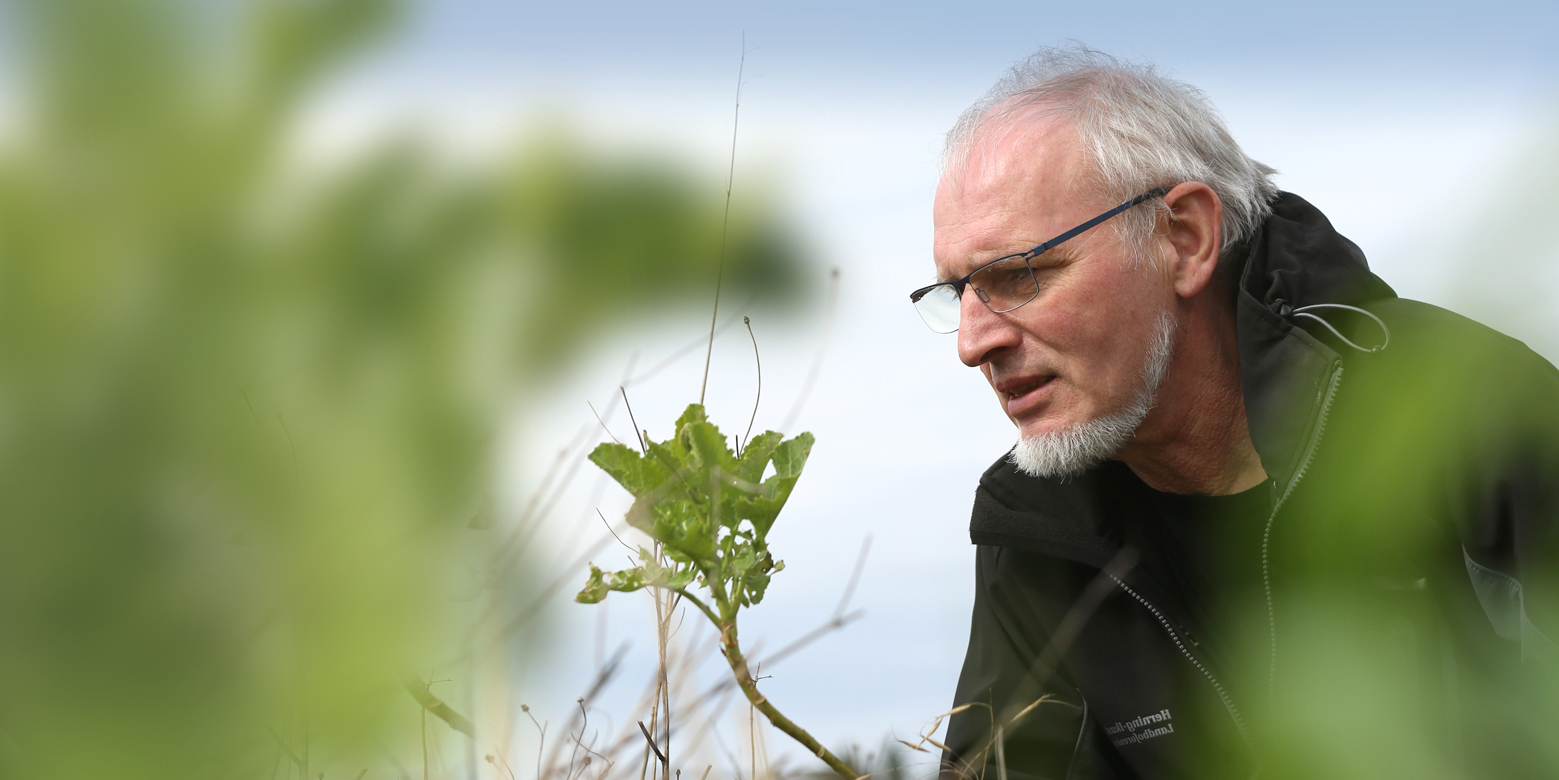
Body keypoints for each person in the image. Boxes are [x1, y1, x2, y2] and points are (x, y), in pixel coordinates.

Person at [913, 46, 1559, 780]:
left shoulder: (1470, 415)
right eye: (956, 293)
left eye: (1018, 274)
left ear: (1182, 238)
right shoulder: (1033, 527)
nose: (972, 343)